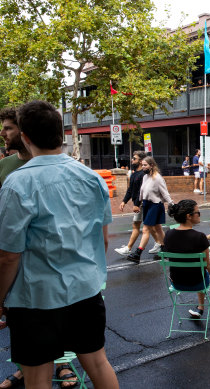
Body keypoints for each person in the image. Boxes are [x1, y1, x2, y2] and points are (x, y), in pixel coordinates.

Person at [0, 100, 119, 389]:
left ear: (26, 138)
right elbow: (101, 239)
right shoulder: (91, 178)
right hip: (85, 290)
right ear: (61, 134)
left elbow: (8, 256)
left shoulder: (18, 184)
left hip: (34, 298)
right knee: (98, 363)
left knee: (37, 377)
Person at [164, 200, 210, 318]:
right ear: (188, 216)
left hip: (176, 283)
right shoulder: (200, 237)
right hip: (198, 284)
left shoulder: (168, 235)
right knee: (201, 271)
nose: (199, 215)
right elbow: (206, 265)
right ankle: (205, 302)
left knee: (196, 270)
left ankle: (202, 306)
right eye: (198, 213)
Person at [127, 156, 173, 263]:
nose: (143, 167)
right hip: (147, 204)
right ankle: (165, 249)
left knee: (146, 229)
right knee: (158, 228)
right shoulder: (145, 177)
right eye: (142, 165)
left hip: (155, 205)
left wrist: (171, 203)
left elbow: (165, 193)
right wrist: (139, 203)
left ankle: (137, 254)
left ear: (151, 165)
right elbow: (142, 192)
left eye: (145, 165)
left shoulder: (158, 178)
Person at [115, 151, 151, 258]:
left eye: (134, 158)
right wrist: (124, 201)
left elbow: (142, 191)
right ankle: (128, 248)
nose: (132, 160)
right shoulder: (134, 174)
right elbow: (131, 189)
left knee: (148, 228)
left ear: (140, 161)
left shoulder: (144, 174)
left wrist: (137, 204)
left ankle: (160, 245)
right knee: (137, 225)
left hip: (144, 204)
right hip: (138, 204)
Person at [0, 108, 31, 188]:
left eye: (8, 128)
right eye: (2, 129)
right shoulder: (3, 164)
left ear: (23, 130)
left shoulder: (45, 162)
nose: (2, 134)